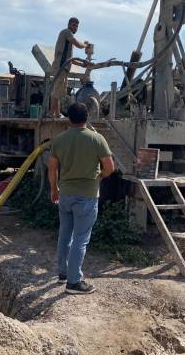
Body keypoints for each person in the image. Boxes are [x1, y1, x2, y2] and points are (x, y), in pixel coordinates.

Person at [48, 103, 115, 294]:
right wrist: (100, 176)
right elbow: (109, 168)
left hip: (65, 195)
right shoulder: (97, 139)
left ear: (69, 119)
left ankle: (63, 274)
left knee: (64, 234)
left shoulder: (59, 140)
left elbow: (52, 168)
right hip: (87, 196)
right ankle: (74, 282)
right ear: (87, 118)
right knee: (80, 239)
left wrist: (54, 189)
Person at [49, 17, 89, 118]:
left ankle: (57, 114)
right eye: (74, 25)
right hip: (60, 67)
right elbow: (78, 44)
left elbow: (70, 59)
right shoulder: (66, 32)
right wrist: (85, 45)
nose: (75, 28)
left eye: (77, 26)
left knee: (59, 92)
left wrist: (81, 64)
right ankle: (50, 114)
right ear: (69, 24)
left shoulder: (68, 41)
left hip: (64, 68)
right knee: (56, 91)